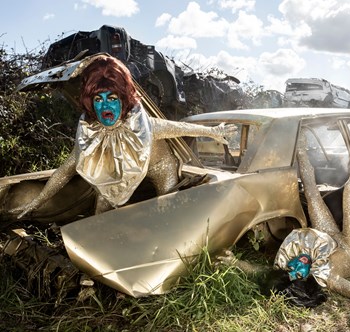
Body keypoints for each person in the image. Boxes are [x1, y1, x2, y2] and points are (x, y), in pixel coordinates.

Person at [218, 100, 350, 332]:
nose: (297, 265)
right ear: (308, 280)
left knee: (311, 192)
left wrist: (235, 263)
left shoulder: (284, 268)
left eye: (292, 270)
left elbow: (257, 271)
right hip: (349, 248)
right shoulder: (329, 277)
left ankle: (300, 144)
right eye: (300, 273)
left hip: (325, 240)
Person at [16, 54, 236, 217]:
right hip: (116, 172)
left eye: (112, 98)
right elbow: (63, 172)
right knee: (100, 212)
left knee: (167, 212)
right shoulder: (90, 135)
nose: (105, 107)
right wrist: (36, 202)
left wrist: (213, 132)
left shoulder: (142, 125)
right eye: (98, 100)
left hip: (158, 168)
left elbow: (181, 128)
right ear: (90, 103)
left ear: (123, 99)